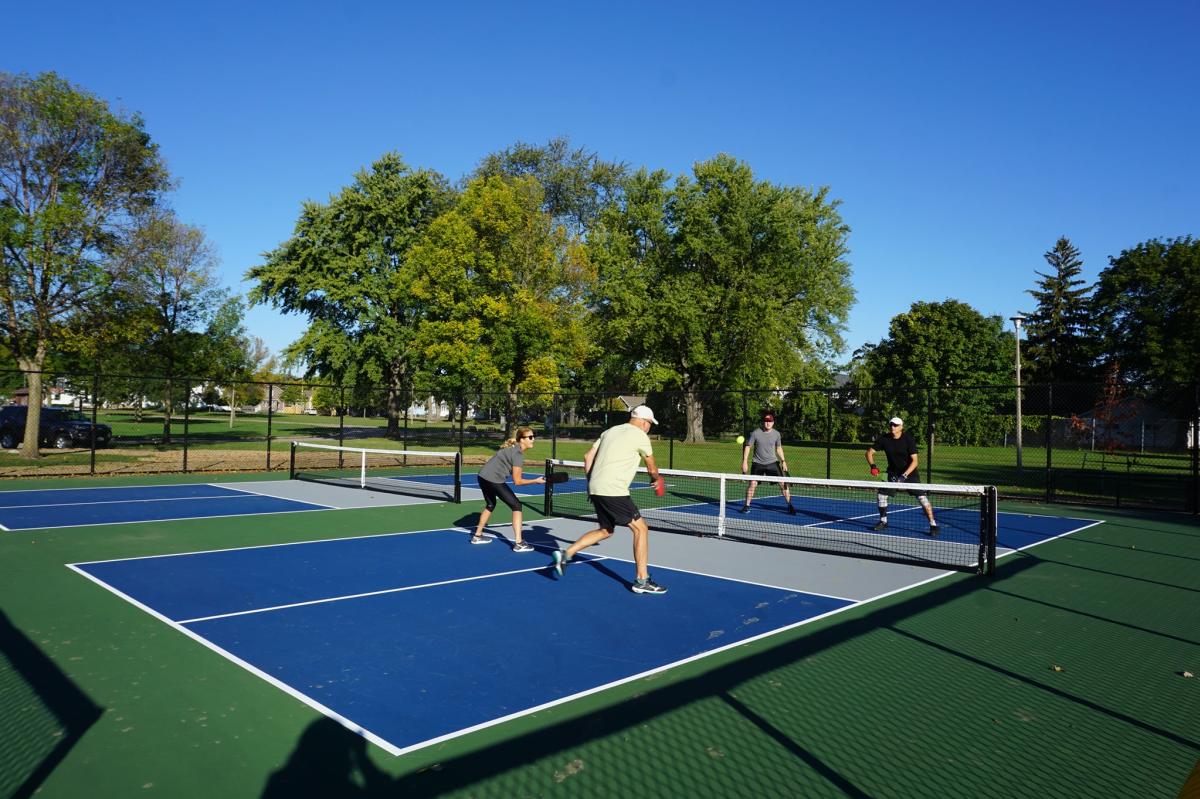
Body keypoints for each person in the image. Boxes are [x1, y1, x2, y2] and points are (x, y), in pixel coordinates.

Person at [551, 404, 668, 594]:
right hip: (614, 489)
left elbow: (588, 456)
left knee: (606, 530)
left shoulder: (609, 431)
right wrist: (656, 479)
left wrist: (591, 484)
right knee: (641, 529)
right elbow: (652, 468)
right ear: (644, 422)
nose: (649, 427)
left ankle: (566, 554)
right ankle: (642, 580)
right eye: (649, 424)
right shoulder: (641, 436)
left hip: (597, 487)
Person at [470, 426, 545, 551]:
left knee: (490, 504)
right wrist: (536, 481)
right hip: (493, 479)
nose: (533, 439)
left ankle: (477, 536)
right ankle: (519, 543)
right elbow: (518, 481)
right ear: (522, 440)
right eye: (530, 437)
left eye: (533, 437)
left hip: (482, 476)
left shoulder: (512, 448)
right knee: (517, 506)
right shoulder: (518, 455)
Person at [865, 417, 939, 535]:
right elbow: (869, 452)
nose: (892, 427)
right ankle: (883, 521)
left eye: (895, 425)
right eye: (891, 425)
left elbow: (915, 461)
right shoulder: (884, 439)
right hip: (891, 472)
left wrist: (904, 476)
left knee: (922, 499)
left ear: (901, 427)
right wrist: (873, 466)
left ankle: (933, 524)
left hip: (910, 473)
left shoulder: (908, 440)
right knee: (881, 495)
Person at [738, 412, 796, 515]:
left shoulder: (777, 434)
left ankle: (790, 505)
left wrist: (783, 461)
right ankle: (746, 506)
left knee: (783, 484)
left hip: (772, 463)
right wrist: (745, 462)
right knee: (752, 484)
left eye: (770, 421)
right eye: (766, 421)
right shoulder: (755, 433)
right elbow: (748, 447)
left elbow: (778, 448)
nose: (767, 423)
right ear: (763, 422)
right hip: (757, 463)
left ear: (773, 423)